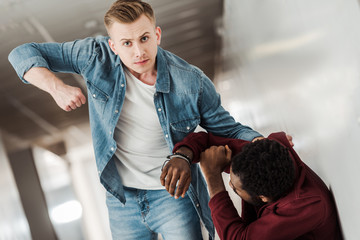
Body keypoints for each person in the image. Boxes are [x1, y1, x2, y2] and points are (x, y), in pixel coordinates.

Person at [8, 1, 264, 239]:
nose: (139, 51)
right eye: (127, 43)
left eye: (144, 38)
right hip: (122, 201)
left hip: (173, 195)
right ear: (113, 46)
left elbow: (229, 130)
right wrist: (55, 87)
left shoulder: (191, 82)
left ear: (157, 35)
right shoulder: (95, 56)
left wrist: (266, 143)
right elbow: (22, 53)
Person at [173, 131, 343, 240]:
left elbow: (237, 238)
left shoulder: (305, 206)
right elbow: (206, 141)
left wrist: (213, 179)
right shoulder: (263, 156)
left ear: (263, 198)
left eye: (236, 189)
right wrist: (183, 156)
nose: (231, 185)